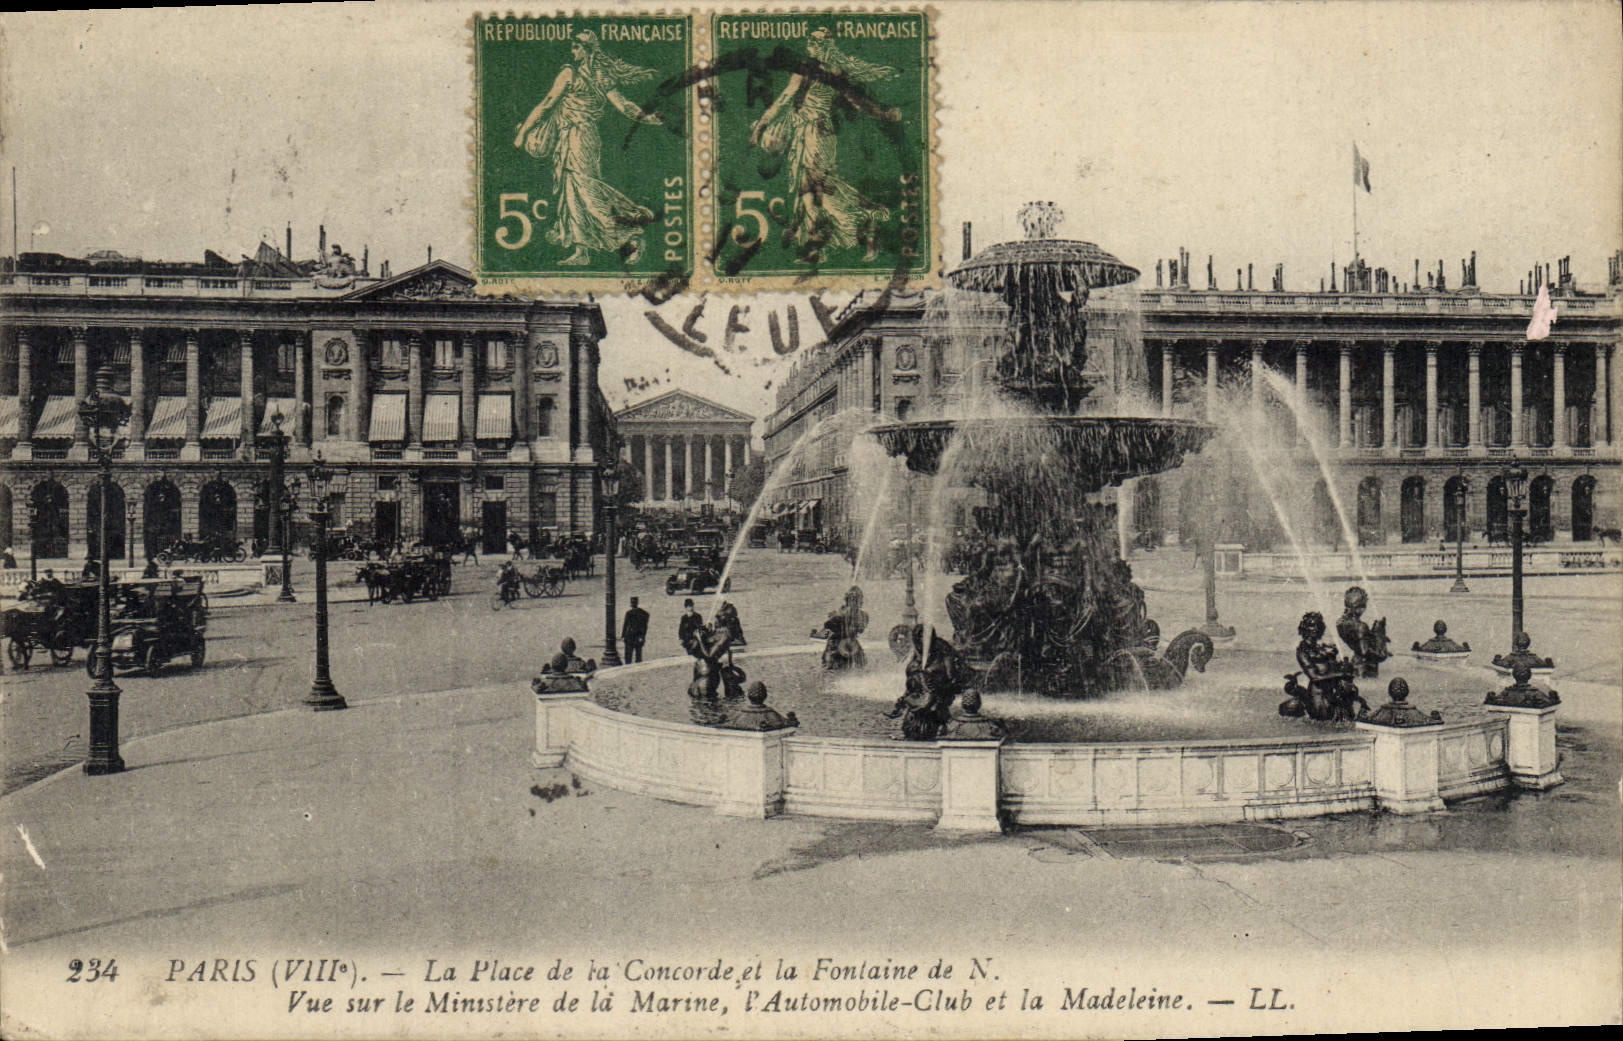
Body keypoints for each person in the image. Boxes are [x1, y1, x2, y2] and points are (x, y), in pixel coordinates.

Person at [749, 26, 901, 263]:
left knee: (817, 188)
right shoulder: (834, 73)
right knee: (808, 190)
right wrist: (883, 115)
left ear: (819, 47)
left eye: (814, 43)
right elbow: (858, 101)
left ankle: (866, 218)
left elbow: (784, 99)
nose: (811, 47)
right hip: (811, 133)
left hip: (815, 134)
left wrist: (761, 125)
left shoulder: (809, 71)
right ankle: (817, 246)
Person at [513, 30, 663, 267]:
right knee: (571, 192)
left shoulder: (576, 74)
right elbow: (550, 103)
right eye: (572, 47)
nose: (573, 51)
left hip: (581, 137)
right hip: (568, 137)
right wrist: (647, 118)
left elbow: (548, 104)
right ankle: (581, 251)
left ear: (587, 49)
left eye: (576, 47)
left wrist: (523, 132)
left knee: (586, 191)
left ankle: (631, 234)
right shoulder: (583, 73)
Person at [621, 596, 649, 663]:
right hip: (638, 636)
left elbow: (625, 625)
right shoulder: (644, 613)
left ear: (631, 604)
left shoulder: (628, 613)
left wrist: (623, 635)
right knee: (638, 655)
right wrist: (643, 636)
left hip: (629, 636)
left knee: (628, 656)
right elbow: (645, 626)